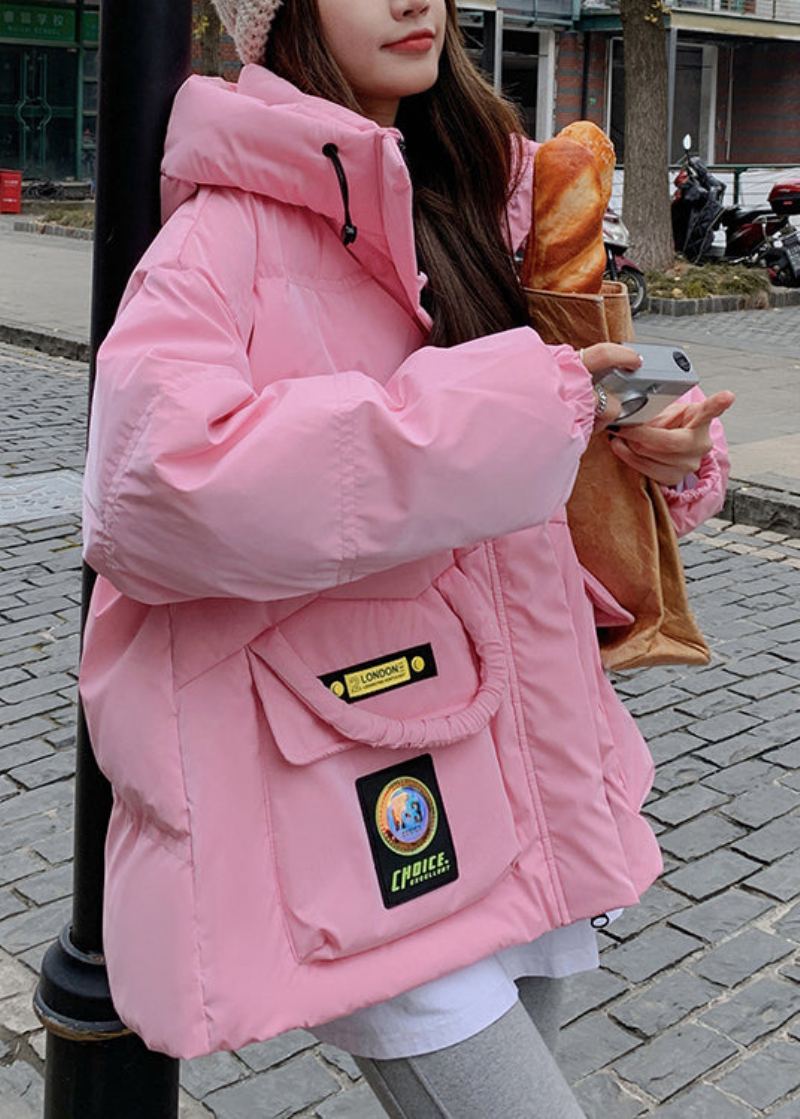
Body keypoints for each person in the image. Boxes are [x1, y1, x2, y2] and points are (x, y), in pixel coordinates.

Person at [78, 1, 734, 1115]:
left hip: (516, 765)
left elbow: (524, 487)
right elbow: (156, 490)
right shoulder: (224, 232)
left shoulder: (485, 196)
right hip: (362, 798)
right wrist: (520, 405)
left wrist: (656, 453)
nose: (412, 0)